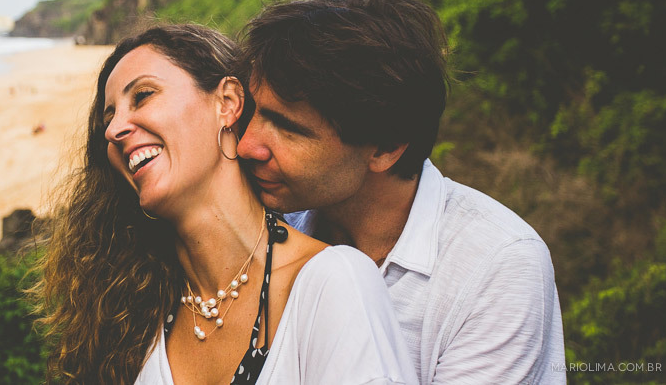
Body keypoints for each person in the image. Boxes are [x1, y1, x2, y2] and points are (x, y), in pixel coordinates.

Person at [39, 24, 417, 385]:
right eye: (109, 116)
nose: (114, 129)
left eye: (142, 96)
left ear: (227, 102)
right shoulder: (132, 320)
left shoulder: (331, 284)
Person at [236, 0, 566, 384]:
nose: (246, 145)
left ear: (387, 147)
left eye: (288, 128)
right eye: (251, 112)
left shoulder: (495, 266)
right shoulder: (262, 219)